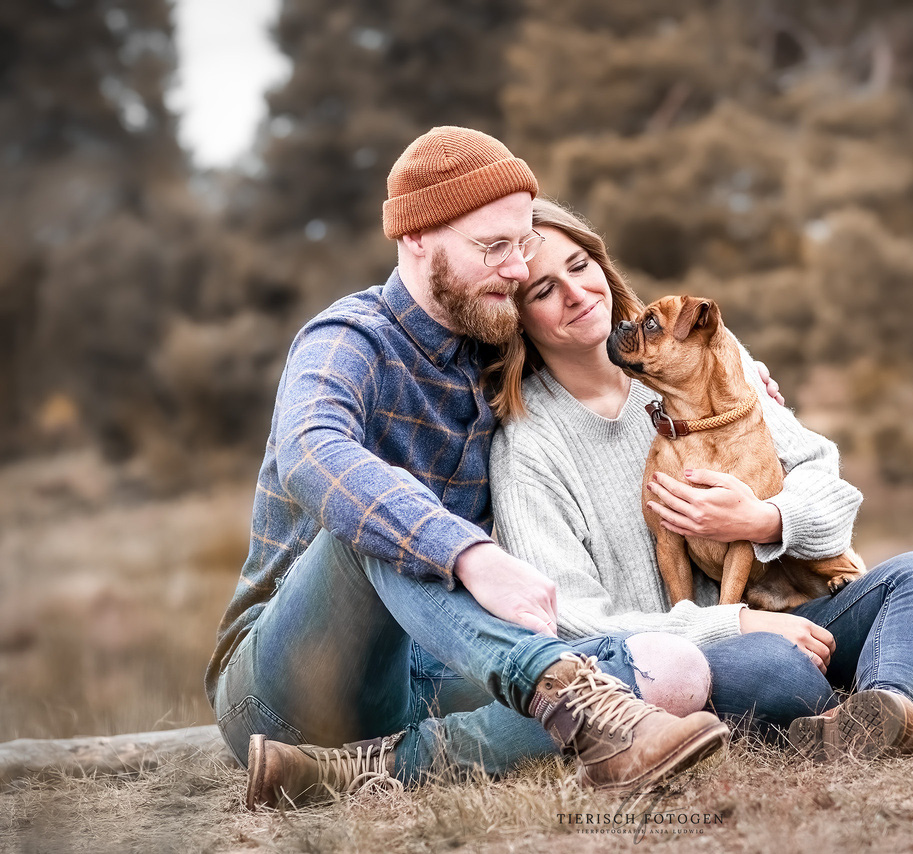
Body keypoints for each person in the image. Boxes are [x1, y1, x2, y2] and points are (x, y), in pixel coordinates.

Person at [205, 127, 731, 810]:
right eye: (493, 247)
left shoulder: (498, 342)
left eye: (522, 244)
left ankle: (358, 770)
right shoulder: (348, 339)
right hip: (286, 685)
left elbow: (610, 342)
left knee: (670, 668)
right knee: (386, 512)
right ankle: (565, 696)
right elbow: (312, 449)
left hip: (430, 668)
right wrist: (468, 553)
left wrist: (731, 389)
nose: (516, 270)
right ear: (416, 237)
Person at [487, 198, 913, 759]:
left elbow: (825, 482)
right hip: (688, 661)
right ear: (516, 315)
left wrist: (766, 519)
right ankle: (896, 687)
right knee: (774, 670)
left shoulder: (706, 359)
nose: (577, 293)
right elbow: (573, 621)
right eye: (544, 290)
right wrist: (735, 625)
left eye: (580, 266)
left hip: (794, 617)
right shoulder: (527, 447)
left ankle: (886, 701)